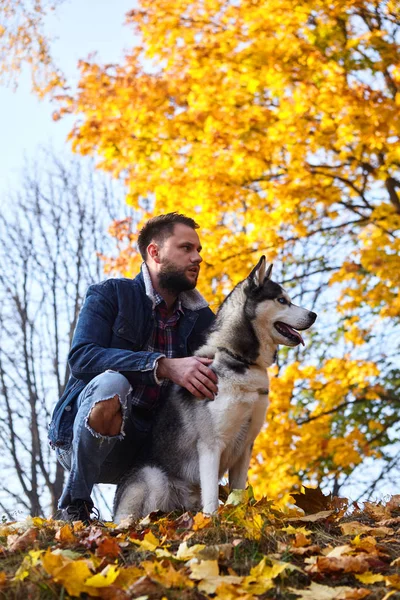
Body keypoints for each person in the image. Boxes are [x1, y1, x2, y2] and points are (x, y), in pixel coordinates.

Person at [48, 212, 217, 522]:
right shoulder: (111, 294)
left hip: (153, 450)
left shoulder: (204, 320)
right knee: (113, 384)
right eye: (186, 248)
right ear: (154, 252)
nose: (197, 258)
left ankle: (201, 511)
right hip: (86, 437)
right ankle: (76, 506)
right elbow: (82, 357)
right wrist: (162, 366)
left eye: (199, 250)